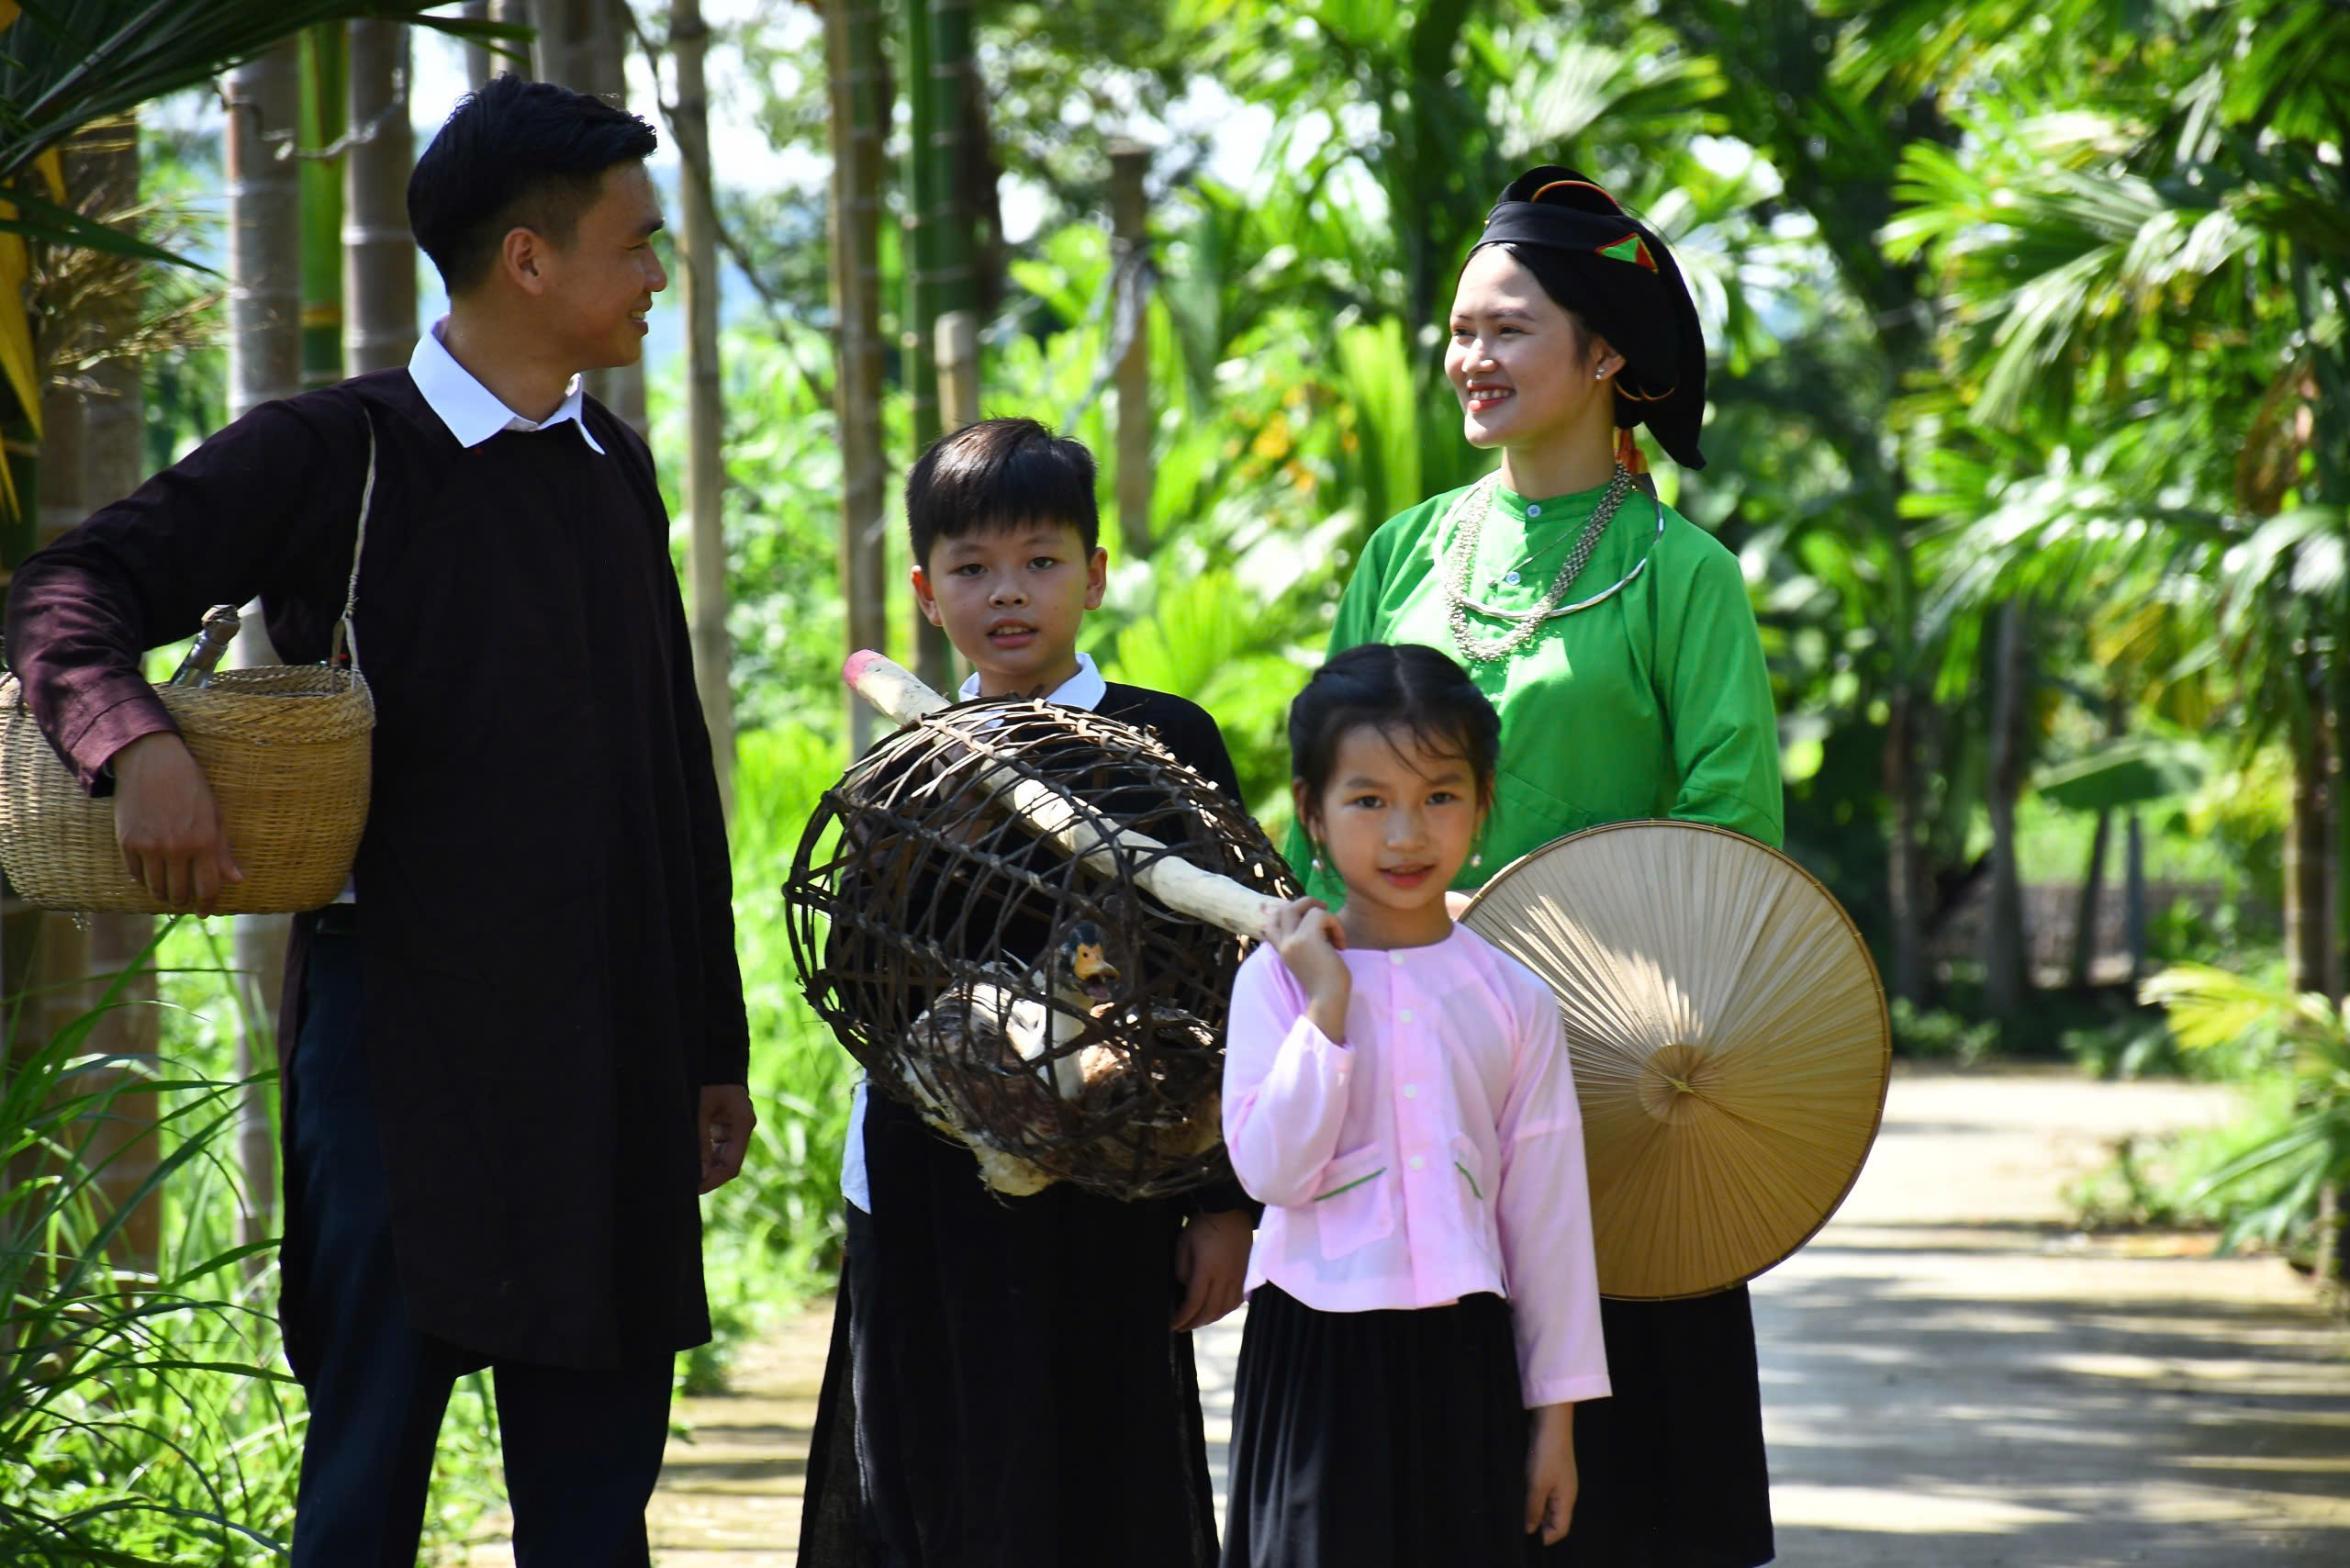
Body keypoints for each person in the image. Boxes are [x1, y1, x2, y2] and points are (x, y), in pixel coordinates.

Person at [4, 76, 753, 1566]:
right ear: (529, 260)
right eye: (639, 243)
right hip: (399, 1060)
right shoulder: (334, 451)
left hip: (610, 1059)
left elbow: (670, 773)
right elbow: (65, 597)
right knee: (361, 1496)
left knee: (598, 1510)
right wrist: (131, 739)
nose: (662, 274)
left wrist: (711, 1051)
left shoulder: (618, 474)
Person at [1285, 167, 1784, 1567]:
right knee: (1440, 1494)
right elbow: (1317, 803)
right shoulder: (1406, 552)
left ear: (1606, 356)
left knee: (1635, 1503)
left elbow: (1733, 835)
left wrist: (1648, 1034)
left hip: (1624, 1091)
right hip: (1414, 1089)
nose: (1471, 359)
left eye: (1507, 330)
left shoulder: (1685, 576)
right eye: (1461, 330)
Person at [796, 416, 1257, 1568]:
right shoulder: (906, 766)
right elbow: (870, 985)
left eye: (1042, 562)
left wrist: (1222, 1201)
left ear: (1095, 576)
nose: (1009, 594)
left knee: (1098, 1472)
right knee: (934, 1471)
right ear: (924, 589)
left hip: (1112, 1191)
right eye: (972, 568)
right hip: (927, 1184)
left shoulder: (1161, 743)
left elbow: (1229, 988)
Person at [1220, 642, 1609, 1567]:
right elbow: (1271, 1171)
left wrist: (1553, 1421)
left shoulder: (1514, 997)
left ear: (1481, 806)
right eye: (1367, 800)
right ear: (1311, 813)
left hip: (1463, 1364)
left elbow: (1546, 1220)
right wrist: (1326, 1005)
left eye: (1439, 795)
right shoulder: (1273, 987)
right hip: (1314, 1359)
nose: (1405, 834)